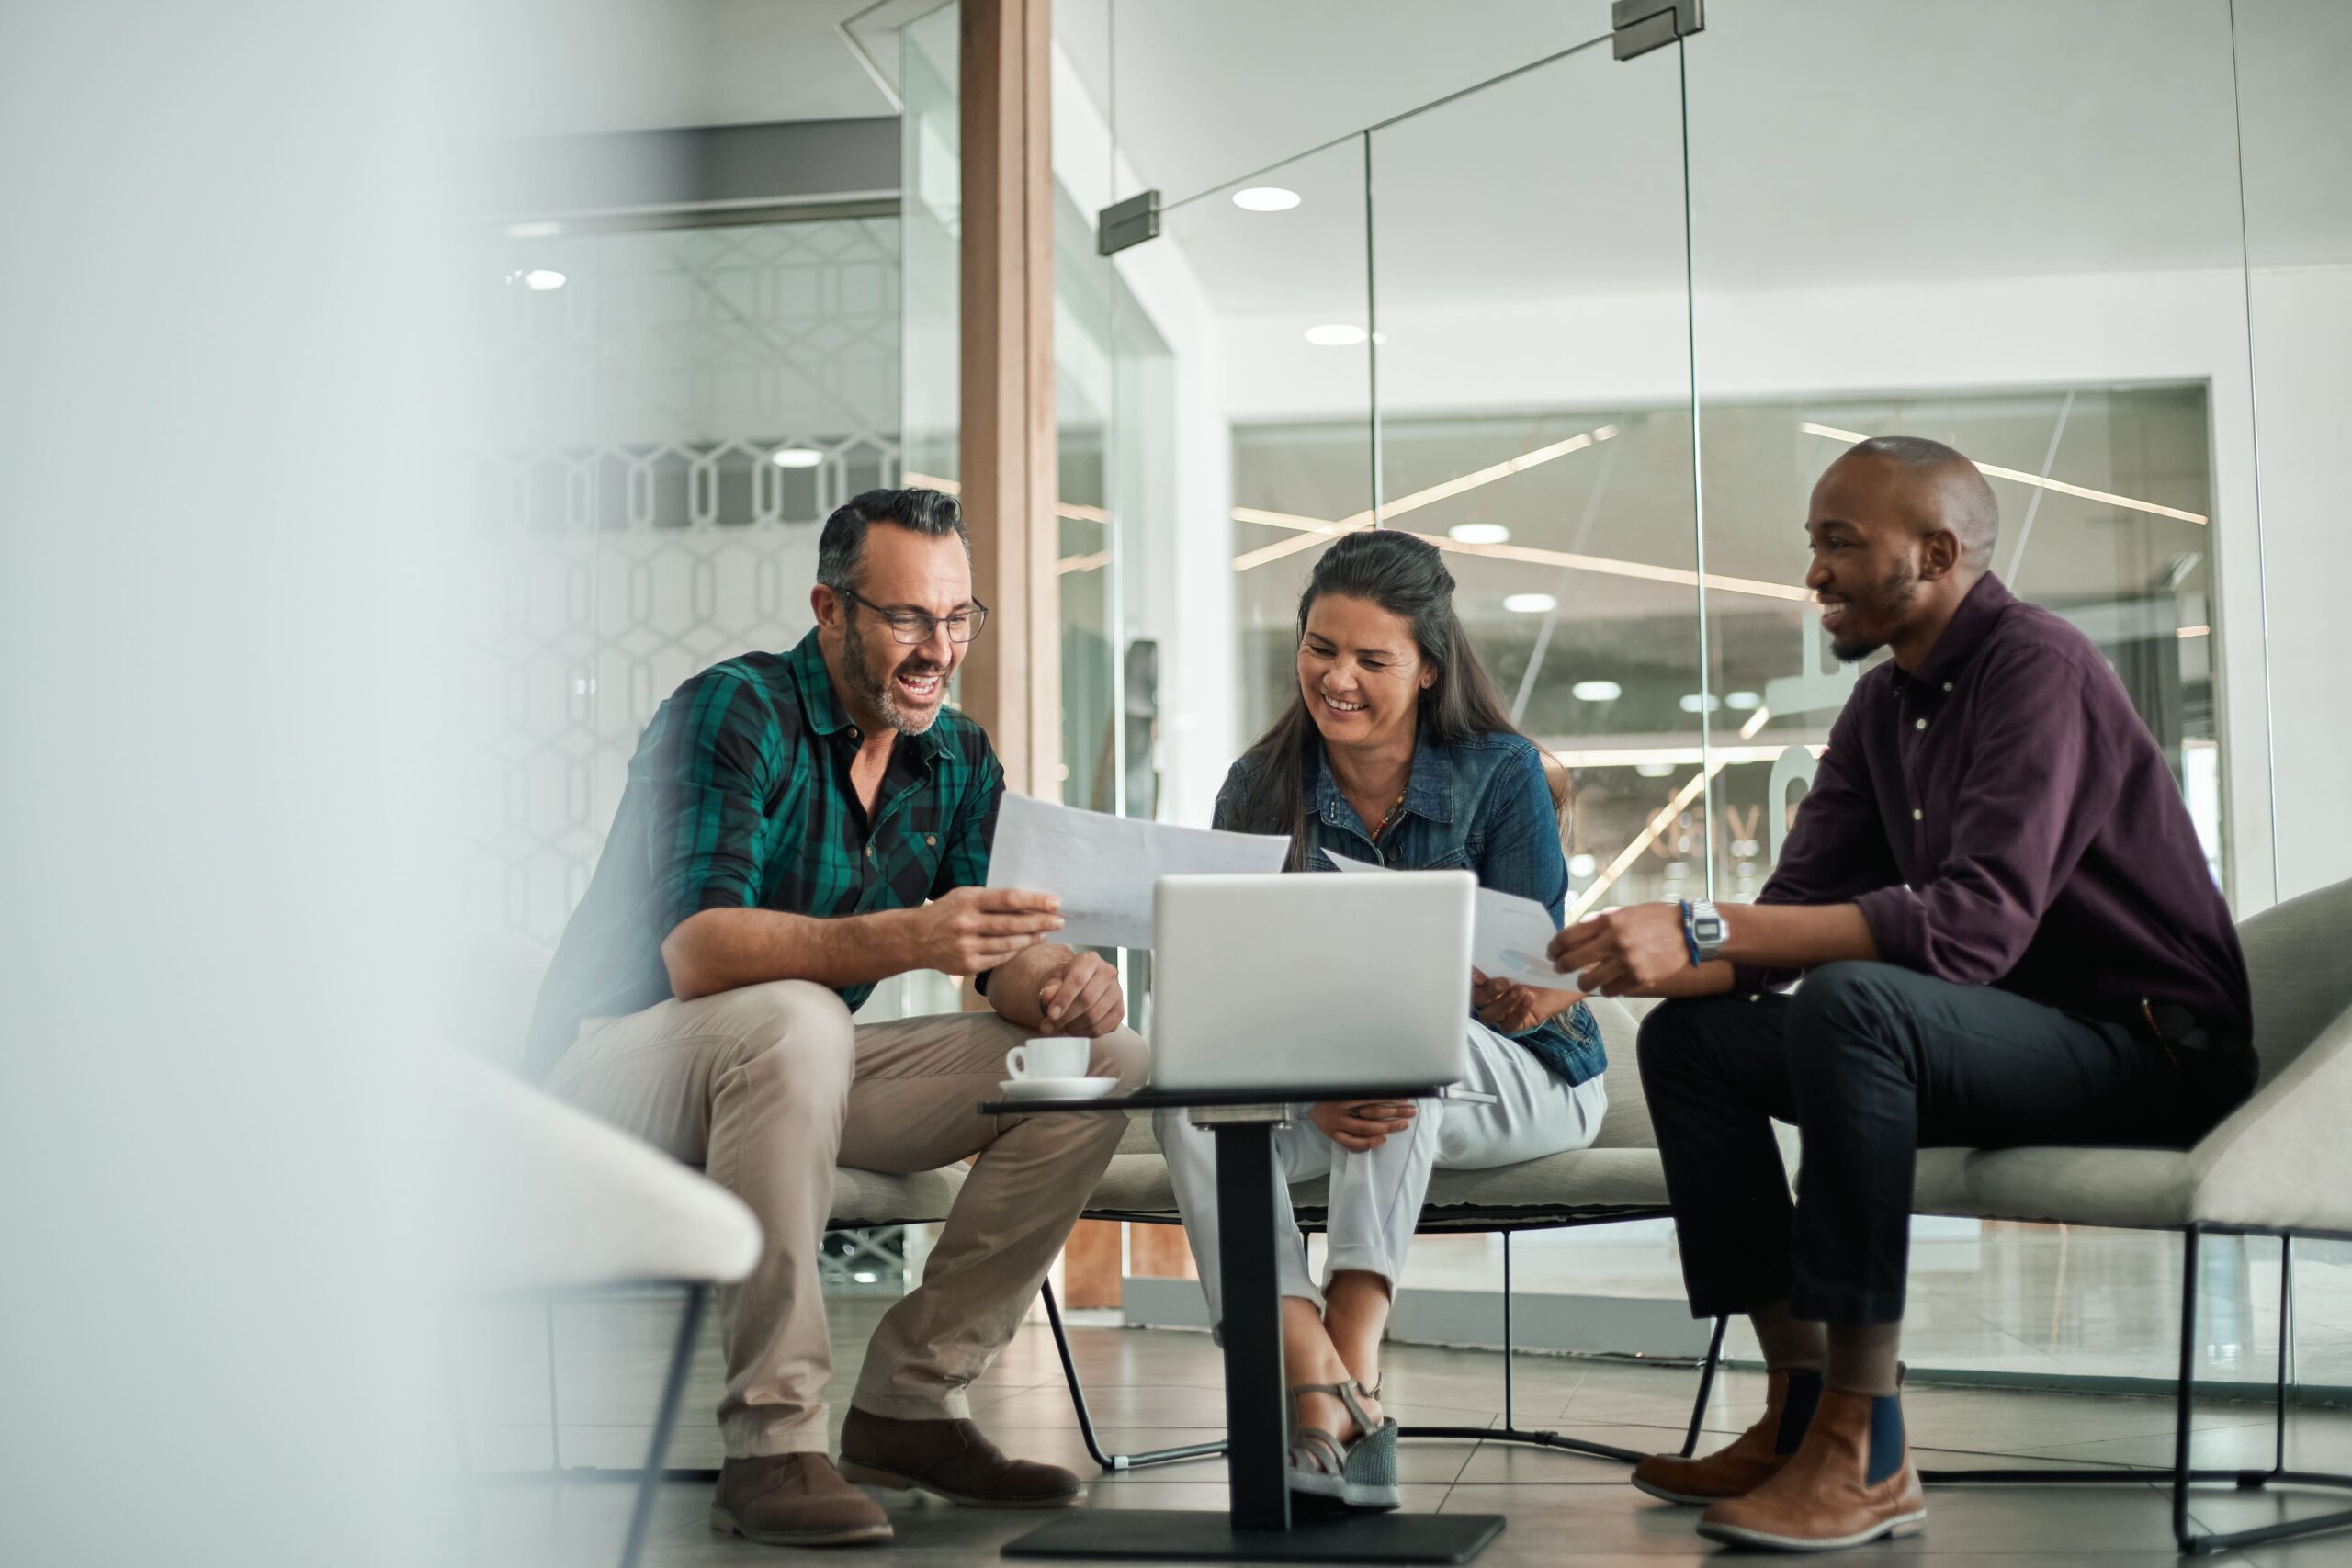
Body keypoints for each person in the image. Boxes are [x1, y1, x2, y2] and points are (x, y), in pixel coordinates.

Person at [1549, 437, 2255, 1553]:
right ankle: (1795, 1408)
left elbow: (1970, 925)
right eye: (1813, 545)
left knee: (1855, 1001)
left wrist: (1699, 923)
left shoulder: (2041, 667)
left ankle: (1868, 1447)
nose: (1814, 574)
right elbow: (1783, 927)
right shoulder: (1884, 710)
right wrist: (1587, 971)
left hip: (2150, 1050)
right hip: (1997, 1039)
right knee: (1695, 1041)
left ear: (1933, 553)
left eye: (1839, 543)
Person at [524, 487, 1148, 1549]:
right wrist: (915, 935)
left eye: (957, 620)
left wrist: (1060, 981)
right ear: (830, 608)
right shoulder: (732, 711)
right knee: (801, 1015)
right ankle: (772, 1443)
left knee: (1102, 1058)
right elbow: (699, 951)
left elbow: (983, 945)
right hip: (613, 1070)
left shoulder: (955, 757)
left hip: (784, 1063)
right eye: (907, 618)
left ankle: (910, 1403)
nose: (935, 651)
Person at [1155, 528, 1610, 1510]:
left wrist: (1511, 988)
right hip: (1329, 1081)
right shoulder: (1258, 785)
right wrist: (1305, 1083)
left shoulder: (1500, 772)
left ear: (1428, 668)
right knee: (1187, 1102)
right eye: (1321, 650)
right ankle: (1317, 1386)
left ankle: (1341, 1368)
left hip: (1520, 1072)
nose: (1338, 679)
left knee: (1392, 1048)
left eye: (1371, 659)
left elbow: (1543, 967)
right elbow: (1235, 981)